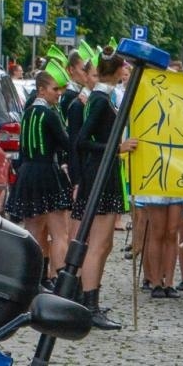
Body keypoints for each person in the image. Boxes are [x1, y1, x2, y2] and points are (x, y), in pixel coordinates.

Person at [72, 49, 136, 331]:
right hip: (98, 172)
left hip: (104, 171)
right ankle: (90, 305)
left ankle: (91, 297)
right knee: (98, 244)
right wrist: (116, 148)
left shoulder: (103, 96)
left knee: (104, 243)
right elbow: (82, 140)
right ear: (119, 69)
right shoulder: (99, 99)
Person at [7, 71, 72, 281]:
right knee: (59, 232)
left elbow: (23, 149)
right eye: (55, 89)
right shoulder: (50, 114)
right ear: (41, 89)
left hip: (27, 173)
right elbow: (66, 143)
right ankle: (61, 281)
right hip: (46, 172)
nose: (59, 94)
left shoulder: (27, 113)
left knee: (34, 233)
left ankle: (35, 278)